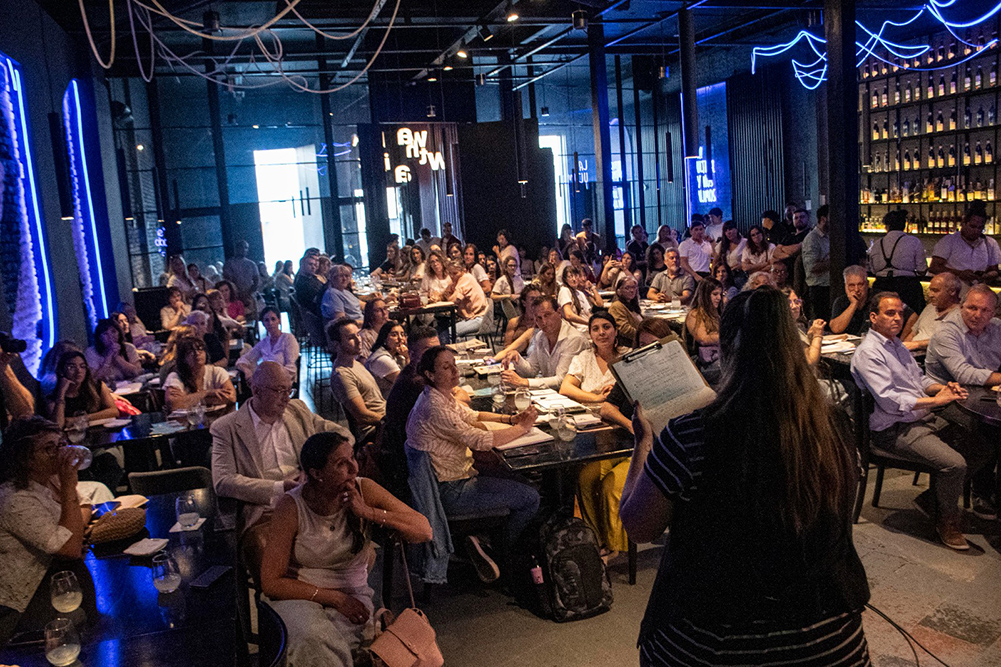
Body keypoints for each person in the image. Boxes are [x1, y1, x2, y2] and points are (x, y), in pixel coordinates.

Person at [620, 288, 870, 665]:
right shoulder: (833, 425)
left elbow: (638, 526)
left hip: (712, 641)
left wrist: (643, 443)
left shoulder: (692, 433)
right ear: (795, 345)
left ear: (725, 352)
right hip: (830, 638)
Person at [261, 431, 431, 665]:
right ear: (316, 473)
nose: (353, 468)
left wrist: (367, 512)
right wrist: (336, 599)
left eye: (352, 457)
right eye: (341, 464)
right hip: (300, 595)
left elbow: (424, 530)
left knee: (335, 643)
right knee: (313, 637)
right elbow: (271, 582)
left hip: (353, 594)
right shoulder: (292, 505)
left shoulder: (364, 489)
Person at [852, 292, 992, 549]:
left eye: (900, 313)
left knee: (982, 446)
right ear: (873, 317)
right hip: (893, 429)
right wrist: (936, 401)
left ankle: (931, 501)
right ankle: (947, 521)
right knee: (955, 463)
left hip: (918, 418)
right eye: (889, 313)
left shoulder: (896, 345)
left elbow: (920, 379)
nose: (897, 318)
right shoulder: (869, 353)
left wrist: (942, 388)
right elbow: (890, 401)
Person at [406, 346, 540, 580]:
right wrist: (522, 428)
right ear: (430, 374)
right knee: (531, 498)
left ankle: (484, 541)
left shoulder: (438, 396)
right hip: (449, 490)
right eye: (446, 367)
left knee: (523, 480)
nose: (454, 371)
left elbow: (471, 415)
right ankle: (500, 553)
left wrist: (510, 419)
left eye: (454, 365)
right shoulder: (434, 407)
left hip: (458, 477)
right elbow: (479, 440)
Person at [212, 361, 353, 582]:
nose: (286, 398)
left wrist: (317, 464)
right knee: (267, 556)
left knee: (350, 543)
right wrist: (279, 488)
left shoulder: (297, 410)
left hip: (309, 501)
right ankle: (290, 596)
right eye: (279, 391)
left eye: (289, 390)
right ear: (256, 390)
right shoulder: (227, 428)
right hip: (266, 509)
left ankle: (330, 590)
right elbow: (223, 481)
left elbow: (342, 435)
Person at [0, 417, 91, 644]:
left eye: (60, 445)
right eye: (49, 449)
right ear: (25, 459)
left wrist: (73, 530)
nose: (59, 454)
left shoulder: (47, 480)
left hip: (54, 577)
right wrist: (68, 485)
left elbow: (82, 509)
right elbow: (70, 548)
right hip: (21, 605)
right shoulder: (15, 499)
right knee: (78, 616)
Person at [380, 326, 445, 501]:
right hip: (422, 469)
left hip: (422, 453)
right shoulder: (416, 382)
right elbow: (458, 402)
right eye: (428, 351)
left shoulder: (416, 372)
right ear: (412, 353)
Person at [497, 296, 588, 389]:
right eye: (539, 318)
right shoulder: (540, 336)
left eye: (547, 315)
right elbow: (531, 370)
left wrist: (524, 382)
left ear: (559, 312)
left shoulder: (574, 339)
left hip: (573, 395)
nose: (544, 322)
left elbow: (561, 380)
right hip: (551, 393)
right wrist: (517, 358)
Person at [925, 285, 1001, 389]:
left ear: (993, 313)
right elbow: (963, 375)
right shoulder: (945, 332)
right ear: (961, 307)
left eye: (985, 310)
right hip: (949, 393)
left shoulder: (997, 327)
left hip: (990, 390)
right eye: (972, 308)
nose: (978, 315)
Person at [328, 318, 386, 443]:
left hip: (383, 421)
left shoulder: (355, 363)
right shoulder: (342, 375)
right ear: (336, 344)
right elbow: (362, 416)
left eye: (358, 335)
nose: (359, 340)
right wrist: (391, 420)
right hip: (373, 432)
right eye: (351, 338)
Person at [868, 209, 928, 315]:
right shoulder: (914, 242)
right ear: (904, 225)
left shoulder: (877, 244)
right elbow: (922, 270)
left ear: (886, 226)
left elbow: (873, 270)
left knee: (883, 316)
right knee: (912, 317)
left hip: (881, 286)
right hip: (907, 287)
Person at [929, 201, 1001, 286]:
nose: (976, 231)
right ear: (963, 223)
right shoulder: (949, 241)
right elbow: (934, 267)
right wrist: (959, 273)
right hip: (953, 289)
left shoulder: (990, 243)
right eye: (972, 226)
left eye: (980, 228)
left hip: (978, 289)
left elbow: (994, 270)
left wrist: (986, 276)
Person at [560, 312, 626, 404]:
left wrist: (617, 391)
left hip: (618, 410)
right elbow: (565, 388)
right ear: (590, 335)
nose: (601, 332)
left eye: (606, 327)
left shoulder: (627, 356)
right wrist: (597, 398)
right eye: (595, 329)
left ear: (616, 331)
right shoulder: (584, 358)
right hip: (588, 410)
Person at [45, 351, 118, 427]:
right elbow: (58, 425)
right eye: (72, 367)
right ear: (61, 371)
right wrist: (61, 392)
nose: (79, 371)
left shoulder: (96, 386)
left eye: (82, 366)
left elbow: (114, 411)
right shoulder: (53, 397)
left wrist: (79, 419)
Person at [163, 337, 236, 412]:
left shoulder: (217, 372)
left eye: (200, 349)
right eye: (190, 351)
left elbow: (231, 397)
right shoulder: (175, 377)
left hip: (219, 417)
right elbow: (174, 405)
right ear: (183, 358)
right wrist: (206, 393)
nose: (197, 353)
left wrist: (188, 400)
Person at [236, 307, 300, 382]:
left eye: (273, 319)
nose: (270, 323)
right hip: (267, 381)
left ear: (279, 321)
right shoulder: (264, 343)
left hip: (284, 381)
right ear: (263, 323)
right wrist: (247, 371)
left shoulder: (288, 339)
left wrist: (272, 376)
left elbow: (291, 368)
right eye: (266, 320)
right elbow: (244, 359)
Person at [905, 273, 962, 350]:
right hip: (912, 352)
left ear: (952, 291)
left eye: (935, 291)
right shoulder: (930, 307)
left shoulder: (961, 314)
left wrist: (917, 344)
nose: (930, 295)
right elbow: (913, 333)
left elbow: (945, 341)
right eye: (930, 290)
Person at [685, 278, 723, 381]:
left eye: (720, 294)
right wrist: (727, 336)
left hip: (717, 356)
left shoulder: (717, 314)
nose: (719, 298)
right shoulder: (694, 314)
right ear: (705, 295)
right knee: (732, 367)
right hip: (701, 363)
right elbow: (703, 339)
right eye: (715, 294)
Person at [85, 318, 144, 383]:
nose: (110, 336)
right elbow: (95, 379)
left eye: (113, 332)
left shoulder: (129, 348)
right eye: (105, 334)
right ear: (99, 337)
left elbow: (137, 372)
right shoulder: (92, 352)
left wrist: (117, 358)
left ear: (119, 333)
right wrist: (109, 356)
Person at [801, 204, 831, 319]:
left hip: (828, 286)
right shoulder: (812, 239)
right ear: (823, 219)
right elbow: (812, 267)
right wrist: (835, 262)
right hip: (819, 288)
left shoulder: (829, 236)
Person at [444, 260, 488, 338]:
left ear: (463, 271)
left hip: (479, 318)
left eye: (455, 273)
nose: (452, 276)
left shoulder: (466, 278)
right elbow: (444, 294)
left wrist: (449, 296)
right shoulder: (456, 280)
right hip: (469, 317)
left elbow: (453, 300)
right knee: (441, 329)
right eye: (450, 273)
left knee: (448, 333)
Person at [364, 321, 409, 398]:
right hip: (383, 401)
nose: (400, 338)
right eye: (394, 335)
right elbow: (406, 384)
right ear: (384, 338)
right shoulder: (382, 359)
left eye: (402, 334)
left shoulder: (398, 355)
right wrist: (407, 357)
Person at [558, 266, 603, 333]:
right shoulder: (565, 290)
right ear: (565, 279)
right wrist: (589, 323)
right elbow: (568, 315)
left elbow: (589, 313)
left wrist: (596, 322)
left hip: (588, 328)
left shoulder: (580, 293)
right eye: (570, 277)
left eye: (576, 276)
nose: (574, 279)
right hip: (577, 331)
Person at [829, 265, 872, 335]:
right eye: (852, 285)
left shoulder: (878, 299)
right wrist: (853, 304)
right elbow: (836, 329)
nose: (856, 289)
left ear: (867, 284)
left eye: (860, 284)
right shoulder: (841, 301)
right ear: (845, 286)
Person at [502, 284, 542, 351]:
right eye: (532, 299)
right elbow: (507, 346)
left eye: (538, 299)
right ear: (524, 303)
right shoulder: (514, 323)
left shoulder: (544, 323)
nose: (536, 302)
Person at [223, 240, 261, 312]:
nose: (244, 249)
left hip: (250, 297)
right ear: (236, 248)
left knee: (252, 315)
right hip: (235, 297)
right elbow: (228, 281)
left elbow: (256, 280)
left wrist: (249, 293)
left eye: (246, 248)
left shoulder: (251, 264)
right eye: (241, 247)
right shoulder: (229, 264)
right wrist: (236, 293)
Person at [607, 276, 643, 347]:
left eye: (634, 287)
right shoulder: (617, 306)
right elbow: (624, 329)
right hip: (627, 345)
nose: (632, 290)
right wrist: (642, 336)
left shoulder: (632, 305)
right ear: (619, 291)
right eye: (627, 288)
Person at [294, 250, 326, 318]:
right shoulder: (303, 283)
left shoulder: (311, 278)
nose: (313, 267)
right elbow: (319, 299)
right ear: (302, 265)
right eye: (310, 264)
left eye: (315, 265)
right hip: (318, 315)